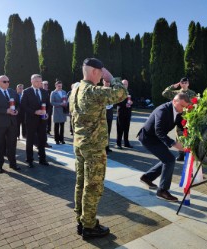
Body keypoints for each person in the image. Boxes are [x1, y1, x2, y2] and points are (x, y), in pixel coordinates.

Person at [70, 58, 127, 239]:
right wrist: (113, 78)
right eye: (101, 72)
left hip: (80, 144)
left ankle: (81, 219)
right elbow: (121, 93)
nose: (102, 75)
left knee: (81, 183)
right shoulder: (93, 91)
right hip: (93, 148)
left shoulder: (76, 90)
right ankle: (89, 226)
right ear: (95, 71)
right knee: (93, 186)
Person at [138, 93, 189, 202]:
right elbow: (159, 131)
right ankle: (162, 191)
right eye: (182, 106)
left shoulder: (178, 111)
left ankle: (147, 177)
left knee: (167, 159)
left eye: (185, 106)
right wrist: (173, 144)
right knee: (169, 160)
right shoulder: (163, 110)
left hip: (157, 138)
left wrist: (188, 135)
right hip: (148, 138)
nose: (184, 109)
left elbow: (181, 126)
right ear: (174, 102)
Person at [0, 75, 20, 173]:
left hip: (12, 123)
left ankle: (13, 164)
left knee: (12, 145)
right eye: (5, 81)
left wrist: (17, 111)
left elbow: (18, 104)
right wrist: (6, 111)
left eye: (8, 81)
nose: (7, 83)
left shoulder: (13, 92)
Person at [162, 77, 196, 161]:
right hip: (179, 118)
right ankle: (181, 154)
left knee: (189, 135)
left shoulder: (192, 93)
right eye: (182, 83)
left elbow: (196, 104)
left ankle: (189, 154)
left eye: (186, 83)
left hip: (189, 118)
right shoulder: (176, 93)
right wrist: (173, 86)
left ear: (188, 84)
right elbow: (164, 93)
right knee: (179, 136)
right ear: (180, 84)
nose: (184, 84)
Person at [21, 74, 51, 168]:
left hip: (42, 120)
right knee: (30, 140)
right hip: (31, 120)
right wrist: (34, 111)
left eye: (40, 81)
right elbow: (23, 106)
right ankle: (29, 160)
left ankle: (42, 159)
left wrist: (47, 114)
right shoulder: (26, 91)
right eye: (37, 81)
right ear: (32, 81)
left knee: (42, 139)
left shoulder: (44, 92)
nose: (39, 83)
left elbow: (49, 106)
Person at [116, 79, 133, 149]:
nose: (125, 85)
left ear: (128, 84)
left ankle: (126, 143)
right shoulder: (119, 92)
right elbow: (117, 102)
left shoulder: (130, 91)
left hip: (128, 113)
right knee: (120, 128)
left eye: (126, 84)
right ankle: (118, 143)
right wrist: (125, 104)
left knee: (127, 128)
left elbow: (133, 100)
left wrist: (132, 102)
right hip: (121, 112)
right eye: (123, 84)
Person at [50, 80, 67, 144]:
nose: (60, 87)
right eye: (59, 86)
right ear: (56, 86)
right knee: (56, 126)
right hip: (57, 111)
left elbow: (66, 100)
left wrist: (66, 103)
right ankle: (56, 139)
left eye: (61, 86)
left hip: (63, 111)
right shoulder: (53, 93)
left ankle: (62, 139)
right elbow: (51, 102)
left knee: (62, 126)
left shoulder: (64, 92)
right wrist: (60, 104)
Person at [103, 79, 114, 153]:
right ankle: (102, 148)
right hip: (103, 113)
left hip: (110, 112)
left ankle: (107, 147)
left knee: (108, 131)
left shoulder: (111, 91)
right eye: (106, 82)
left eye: (108, 82)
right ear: (103, 82)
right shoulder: (101, 90)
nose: (107, 83)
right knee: (103, 131)